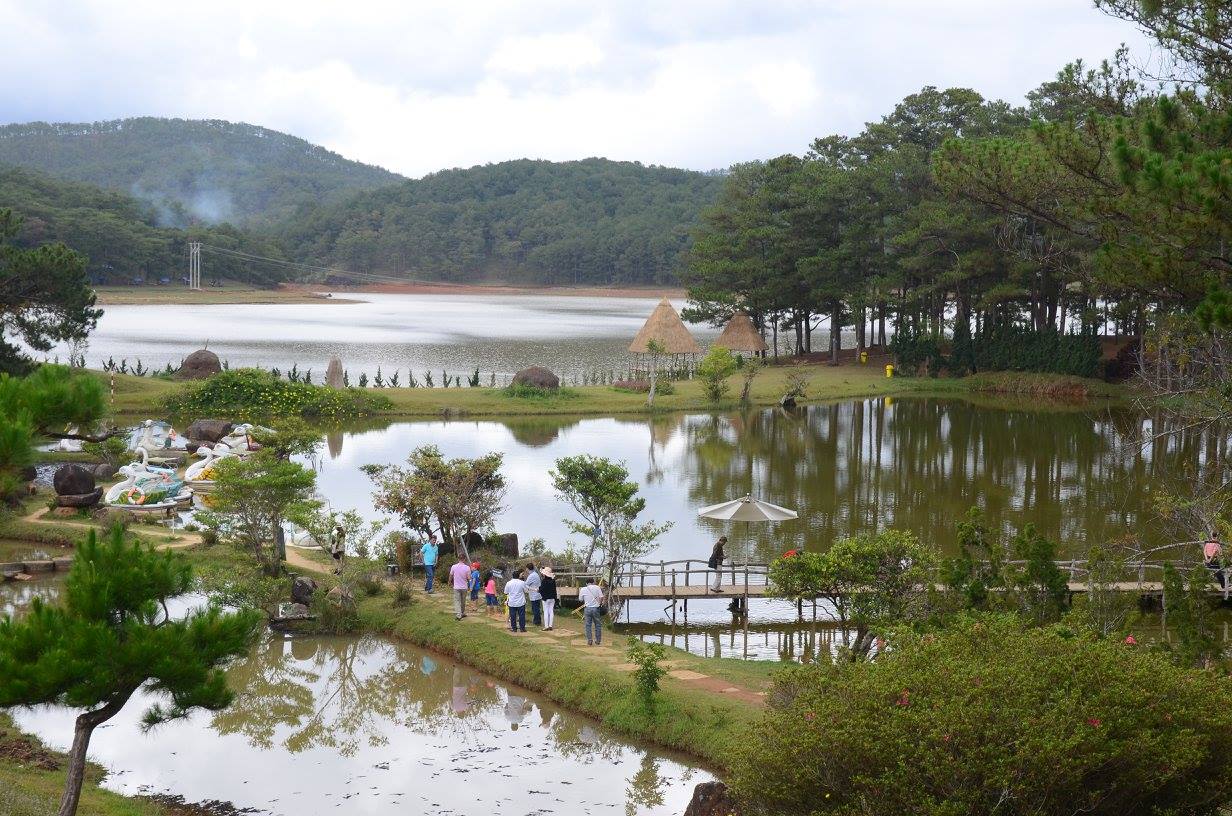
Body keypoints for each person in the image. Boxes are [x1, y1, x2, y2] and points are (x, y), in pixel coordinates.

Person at [578, 576, 604, 646]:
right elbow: (601, 597)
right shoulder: (597, 587)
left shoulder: (583, 589)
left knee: (588, 625)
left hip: (587, 608)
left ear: (586, 583)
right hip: (596, 608)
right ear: (593, 582)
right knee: (597, 625)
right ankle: (598, 640)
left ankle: (589, 640)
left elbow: (580, 599)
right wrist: (600, 603)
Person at [504, 569, 528, 633]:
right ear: (518, 576)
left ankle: (514, 628)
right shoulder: (522, 583)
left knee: (513, 615)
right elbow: (526, 591)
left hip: (512, 602)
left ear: (512, 576)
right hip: (521, 602)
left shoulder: (508, 583)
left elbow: (506, 592)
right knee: (521, 615)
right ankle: (522, 628)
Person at [449, 554, 471, 620]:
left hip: (456, 587)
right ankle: (462, 612)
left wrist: (449, 582)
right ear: (464, 559)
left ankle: (459, 615)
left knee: (457, 601)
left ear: (458, 559)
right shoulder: (467, 567)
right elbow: (469, 578)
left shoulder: (454, 566)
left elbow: (451, 575)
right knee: (463, 601)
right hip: (464, 587)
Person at [525, 562, 543, 627]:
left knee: (535, 609)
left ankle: (537, 622)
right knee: (536, 608)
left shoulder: (531, 576)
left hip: (534, 594)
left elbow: (526, 584)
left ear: (527, 569)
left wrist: (528, 588)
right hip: (537, 594)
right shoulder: (535, 574)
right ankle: (537, 620)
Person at [540, 566, 558, 630]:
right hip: (552, 598)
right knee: (551, 611)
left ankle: (546, 626)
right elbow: (554, 590)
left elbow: (542, 589)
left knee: (546, 611)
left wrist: (538, 589)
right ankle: (550, 626)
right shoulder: (553, 580)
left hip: (546, 598)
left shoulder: (544, 581)